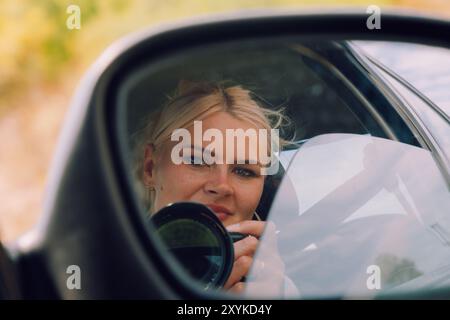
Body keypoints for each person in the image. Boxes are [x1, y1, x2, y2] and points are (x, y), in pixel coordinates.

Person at [134, 80, 297, 296]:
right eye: (197, 160)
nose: (221, 186)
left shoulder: (272, 285)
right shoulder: (101, 269)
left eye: (243, 171)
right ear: (150, 168)